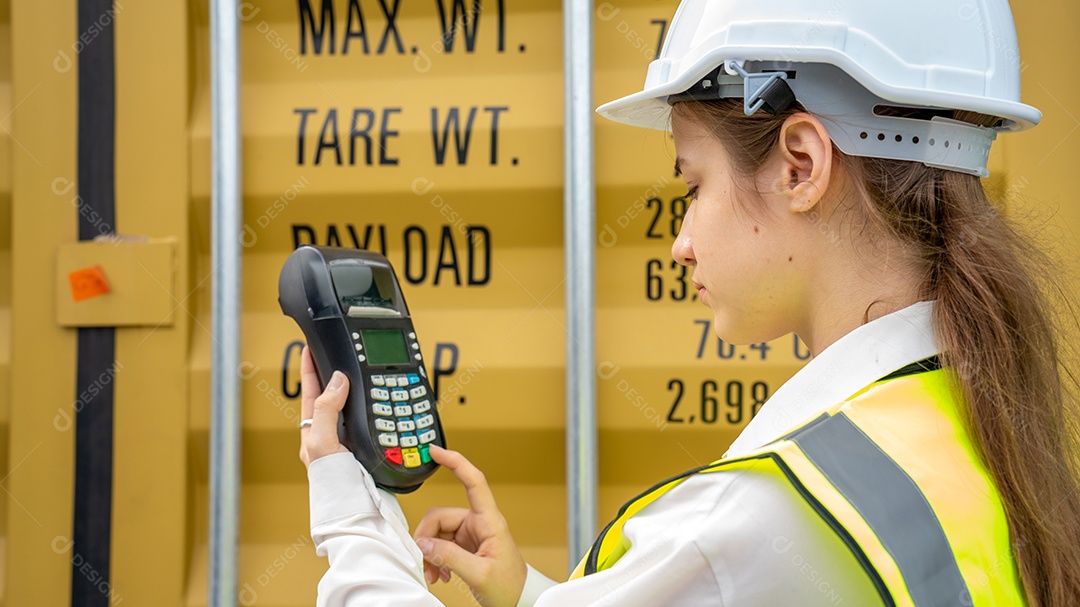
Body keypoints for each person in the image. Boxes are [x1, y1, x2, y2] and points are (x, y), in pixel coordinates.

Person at [298, 0, 1080, 605]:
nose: (680, 241)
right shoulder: (960, 424)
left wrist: (349, 509)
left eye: (692, 184)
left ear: (801, 165)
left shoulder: (763, 517)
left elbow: (735, 571)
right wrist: (531, 592)